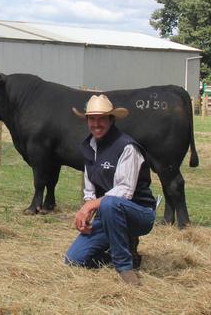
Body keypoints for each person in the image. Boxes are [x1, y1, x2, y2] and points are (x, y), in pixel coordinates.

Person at [65, 94, 157, 286]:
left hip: (139, 214)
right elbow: (90, 188)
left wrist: (90, 206)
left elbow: (125, 191)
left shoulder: (127, 147)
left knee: (109, 203)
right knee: (74, 259)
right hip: (108, 215)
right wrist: (87, 210)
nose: (96, 124)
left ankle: (125, 268)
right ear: (87, 120)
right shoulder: (88, 147)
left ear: (111, 120)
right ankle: (124, 252)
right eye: (92, 118)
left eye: (102, 118)